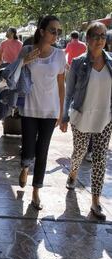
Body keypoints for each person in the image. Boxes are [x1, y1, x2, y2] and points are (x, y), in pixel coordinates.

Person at [60, 22, 112, 220]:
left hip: (105, 117)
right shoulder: (78, 63)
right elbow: (69, 92)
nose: (100, 40)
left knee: (100, 160)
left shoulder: (111, 62)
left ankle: (96, 201)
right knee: (80, 151)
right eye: (96, 36)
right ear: (88, 40)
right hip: (81, 115)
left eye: (103, 36)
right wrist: (64, 116)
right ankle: (73, 172)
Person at [17, 15, 66, 210]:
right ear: (42, 31)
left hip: (50, 110)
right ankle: (25, 167)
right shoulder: (27, 50)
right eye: (53, 30)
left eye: (58, 31)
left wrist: (61, 112)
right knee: (28, 146)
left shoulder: (60, 55)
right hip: (29, 107)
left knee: (43, 150)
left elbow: (61, 84)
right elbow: (14, 74)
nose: (56, 34)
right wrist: (23, 61)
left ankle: (36, 190)